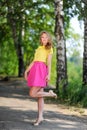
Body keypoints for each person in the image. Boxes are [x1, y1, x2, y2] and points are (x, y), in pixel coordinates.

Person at [24, 31, 57, 126]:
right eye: (42, 37)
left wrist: (49, 74)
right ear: (40, 39)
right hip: (35, 70)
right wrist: (27, 71)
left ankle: (50, 94)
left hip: (42, 70)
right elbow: (34, 61)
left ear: (49, 39)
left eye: (46, 37)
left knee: (32, 93)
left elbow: (49, 63)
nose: (44, 39)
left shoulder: (49, 48)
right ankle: (40, 117)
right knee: (39, 96)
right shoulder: (38, 48)